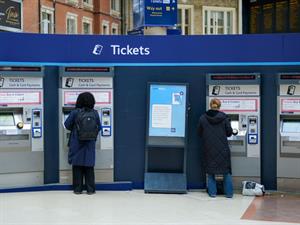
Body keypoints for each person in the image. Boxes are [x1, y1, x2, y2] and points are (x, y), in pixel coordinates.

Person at [64, 92, 101, 195]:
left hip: (77, 142)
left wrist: (76, 129)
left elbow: (67, 125)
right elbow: (99, 127)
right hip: (90, 144)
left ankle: (77, 189)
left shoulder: (75, 112)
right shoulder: (95, 113)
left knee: (77, 166)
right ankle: (90, 189)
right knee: (89, 167)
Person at [197, 98, 234, 198]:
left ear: (210, 105)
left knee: (210, 172)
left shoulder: (203, 118)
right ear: (219, 106)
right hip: (223, 149)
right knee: (226, 172)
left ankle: (213, 193)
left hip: (209, 149)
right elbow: (229, 133)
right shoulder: (224, 118)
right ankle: (229, 194)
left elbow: (199, 133)